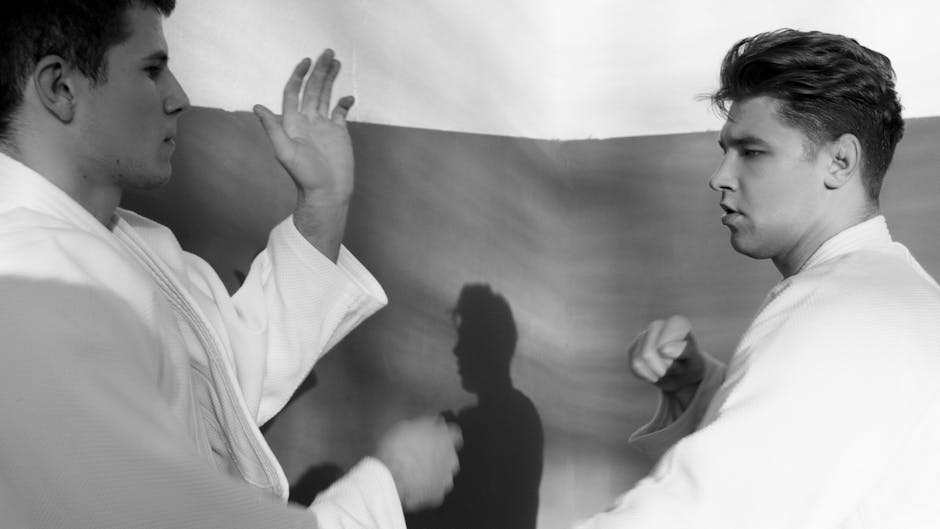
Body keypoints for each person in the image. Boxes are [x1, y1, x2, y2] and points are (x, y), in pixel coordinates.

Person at [0, 1, 460, 528]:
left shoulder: (116, 240)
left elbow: (220, 389)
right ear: (60, 87)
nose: (178, 97)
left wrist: (323, 204)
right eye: (152, 69)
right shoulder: (32, 285)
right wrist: (389, 485)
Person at [574, 29, 940, 528]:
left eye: (752, 151)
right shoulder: (899, 297)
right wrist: (702, 392)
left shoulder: (838, 315)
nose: (719, 177)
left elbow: (704, 515)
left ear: (840, 162)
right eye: (726, 150)